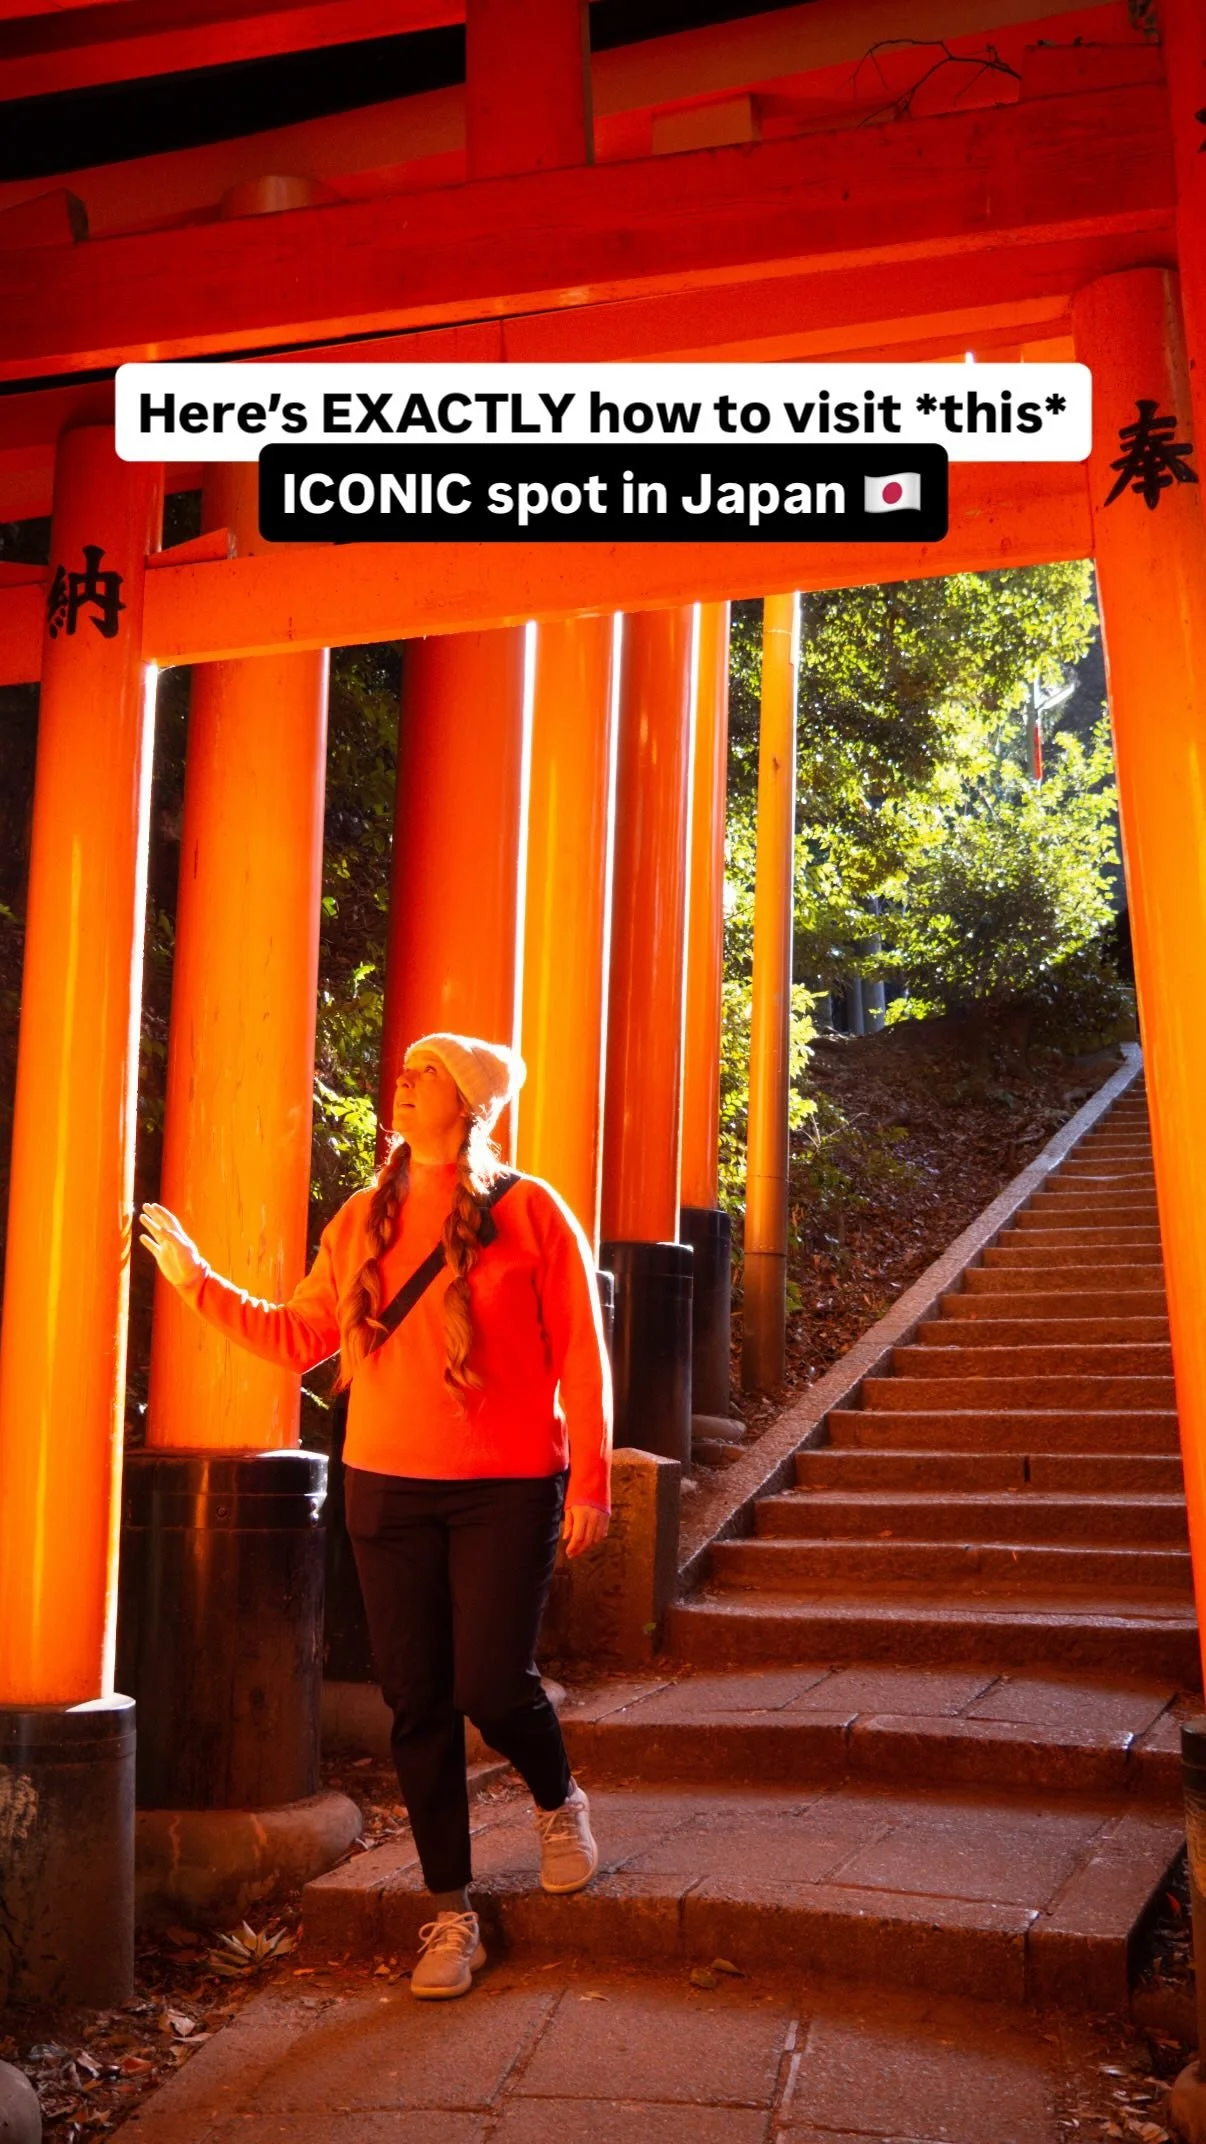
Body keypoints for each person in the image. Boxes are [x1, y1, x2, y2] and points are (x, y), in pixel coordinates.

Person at [140, 1032, 612, 2002]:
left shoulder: (532, 1211)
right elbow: (300, 1336)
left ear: (470, 1104)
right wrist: (194, 1281)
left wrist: (593, 1482)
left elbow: (582, 1353)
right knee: (418, 1703)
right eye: (407, 1068)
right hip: (385, 1489)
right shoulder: (363, 1216)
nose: (405, 1080)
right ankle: (450, 1911)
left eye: (428, 1073)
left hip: (509, 1486)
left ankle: (558, 1798)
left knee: (494, 1685)